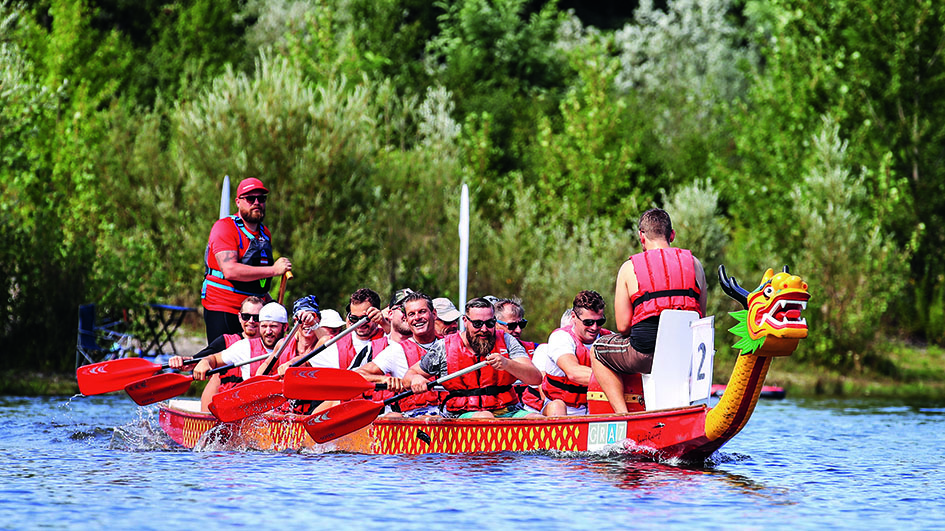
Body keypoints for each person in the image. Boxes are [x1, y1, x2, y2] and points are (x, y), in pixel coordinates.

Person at [591, 208, 708, 414]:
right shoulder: (696, 264)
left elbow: (623, 326)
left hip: (645, 355)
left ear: (641, 237)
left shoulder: (629, 268)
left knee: (597, 350)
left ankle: (622, 416)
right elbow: (701, 318)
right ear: (671, 234)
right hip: (685, 356)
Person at [404, 297, 542, 419]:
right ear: (465, 321)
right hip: (461, 413)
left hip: (508, 410)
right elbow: (409, 375)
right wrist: (416, 379)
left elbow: (535, 378)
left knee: (537, 418)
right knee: (485, 417)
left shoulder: (507, 340)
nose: (484, 329)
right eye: (477, 324)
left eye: (489, 323)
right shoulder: (444, 347)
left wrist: (507, 364)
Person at [201, 177, 292, 343]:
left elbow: (256, 277)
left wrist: (270, 302)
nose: (256, 202)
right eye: (250, 199)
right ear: (238, 202)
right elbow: (230, 270)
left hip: (254, 312)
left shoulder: (265, 234)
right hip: (224, 307)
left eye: (261, 199)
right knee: (224, 363)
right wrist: (274, 270)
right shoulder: (225, 227)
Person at [167, 296, 264, 412]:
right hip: (224, 404)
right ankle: (205, 419)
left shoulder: (274, 346)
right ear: (239, 317)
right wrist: (179, 362)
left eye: (256, 317)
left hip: (254, 406)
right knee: (216, 376)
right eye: (246, 316)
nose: (251, 321)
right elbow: (192, 362)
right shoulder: (226, 341)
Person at [357, 292, 444, 417]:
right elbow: (358, 375)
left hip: (449, 417)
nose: (417, 317)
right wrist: (384, 379)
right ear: (407, 320)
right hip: (413, 421)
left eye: (422, 312)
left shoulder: (449, 344)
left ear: (434, 314)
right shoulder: (396, 350)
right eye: (411, 314)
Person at [191, 302, 289, 407]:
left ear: (285, 327)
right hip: (255, 413)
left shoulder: (294, 346)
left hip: (286, 413)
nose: (268, 331)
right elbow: (214, 359)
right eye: (264, 326)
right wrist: (205, 362)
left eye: (273, 326)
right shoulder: (244, 347)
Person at [542, 290, 612, 416]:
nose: (594, 327)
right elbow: (574, 373)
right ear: (574, 317)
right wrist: (614, 379)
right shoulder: (561, 337)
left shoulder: (609, 338)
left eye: (600, 322)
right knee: (557, 407)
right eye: (588, 322)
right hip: (562, 408)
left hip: (595, 407)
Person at [304, 288, 386, 370]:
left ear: (376, 313)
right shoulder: (336, 344)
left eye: (364, 318)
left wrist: (384, 323)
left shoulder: (389, 339)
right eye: (354, 318)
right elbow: (306, 365)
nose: (360, 323)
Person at [259, 295, 321, 376]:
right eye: (301, 318)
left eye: (312, 316)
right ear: (295, 322)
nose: (306, 322)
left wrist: (291, 363)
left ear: (319, 320)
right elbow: (267, 364)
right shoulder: (283, 344)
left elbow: (308, 360)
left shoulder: (324, 343)